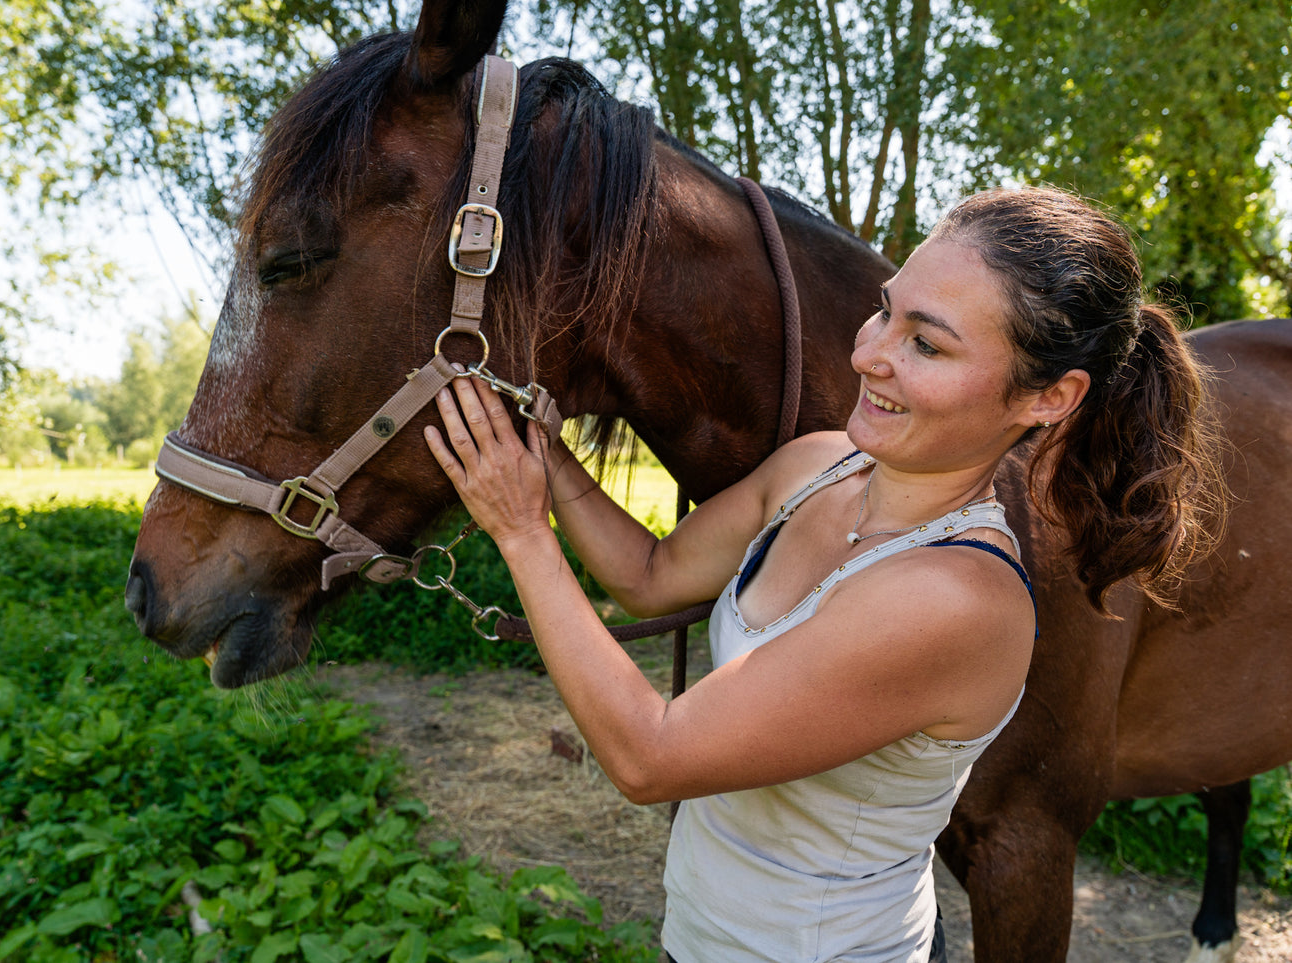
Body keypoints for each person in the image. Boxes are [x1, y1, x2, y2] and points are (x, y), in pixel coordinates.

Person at [423, 186, 1226, 963]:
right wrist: (540, 452)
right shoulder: (819, 466)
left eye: (926, 343)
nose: (868, 353)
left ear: (1049, 396)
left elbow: (649, 756)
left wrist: (523, 532)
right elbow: (649, 572)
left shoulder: (952, 599)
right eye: (886, 310)